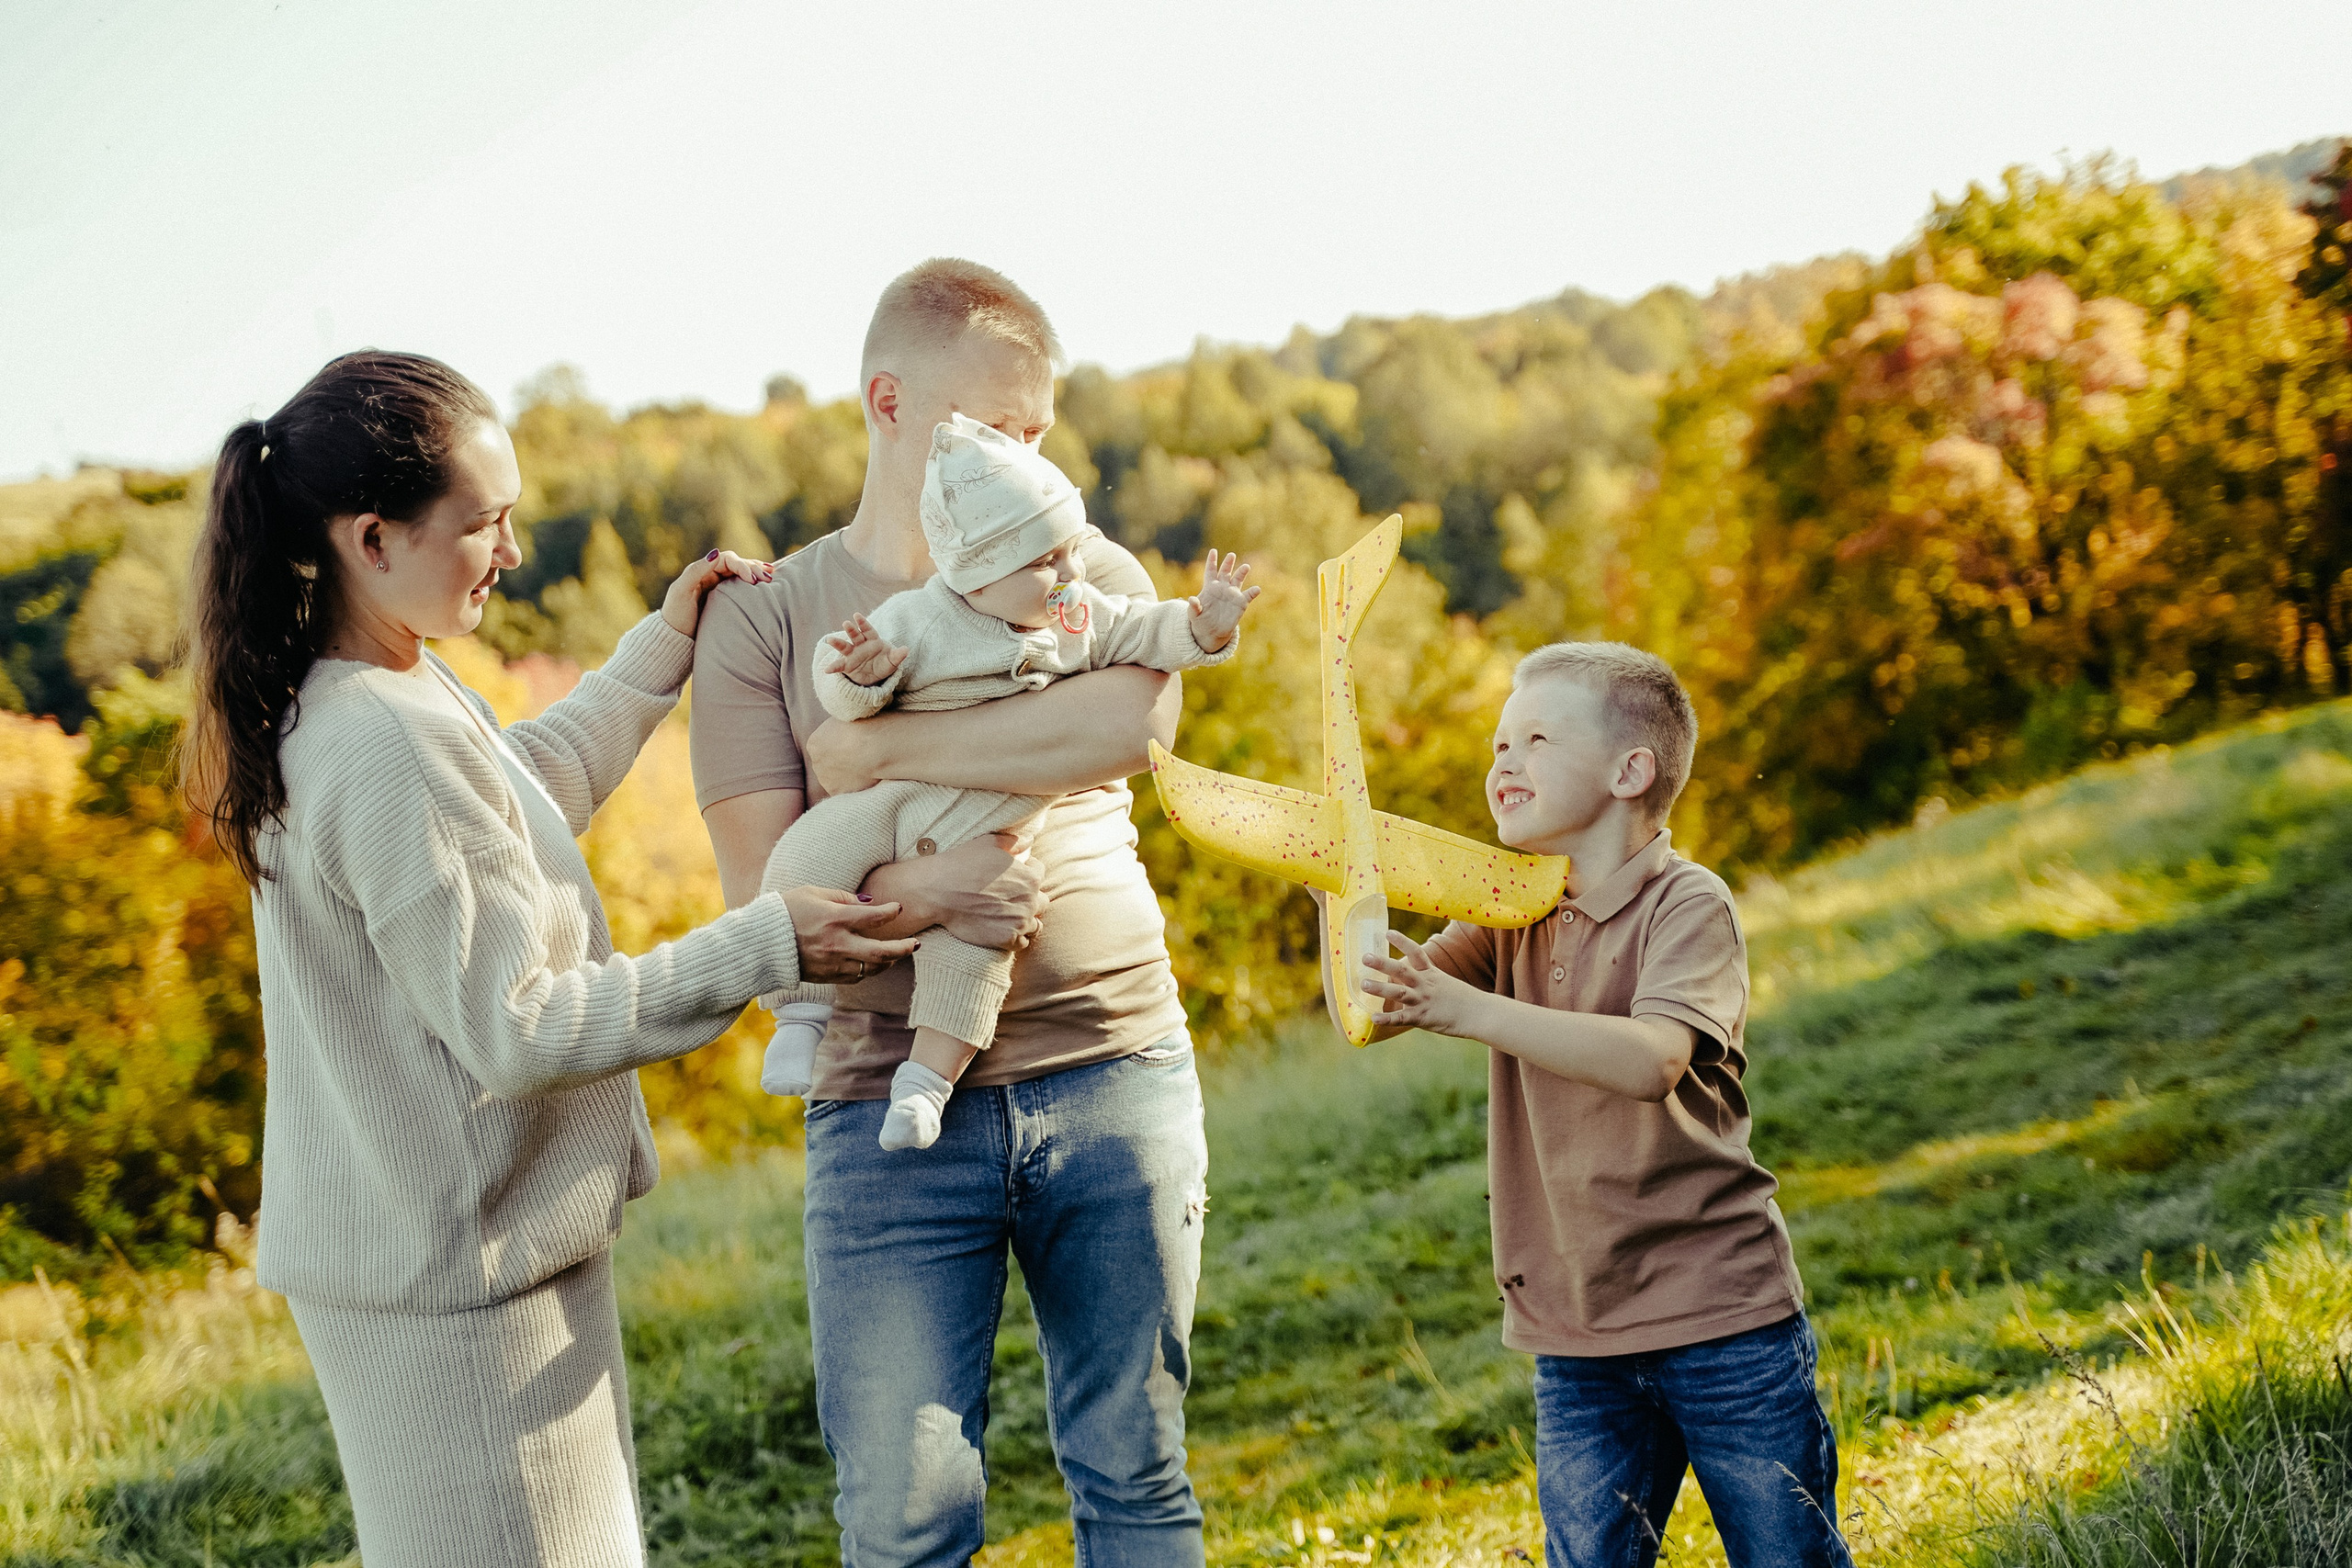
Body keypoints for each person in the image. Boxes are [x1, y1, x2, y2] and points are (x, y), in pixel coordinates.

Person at [181, 350, 920, 1568]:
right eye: (484, 523)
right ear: (372, 538)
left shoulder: (374, 693)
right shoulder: (383, 742)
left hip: (443, 1253)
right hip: (461, 1281)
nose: (512, 550)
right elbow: (520, 1026)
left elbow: (512, 809)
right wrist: (766, 942)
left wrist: (658, 651)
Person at [691, 260, 1210, 1568]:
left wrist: (877, 749)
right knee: (904, 1519)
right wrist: (929, 892)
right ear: (889, 402)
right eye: (993, 424)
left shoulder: (1078, 563)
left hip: (1114, 1066)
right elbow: (764, 902)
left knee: (1137, 1472)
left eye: (1037, 430)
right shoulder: (765, 619)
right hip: (881, 1111)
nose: (1021, 456)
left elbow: (1132, 724)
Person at [1317, 642, 1850, 1568]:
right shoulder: (1504, 908)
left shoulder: (1689, 904)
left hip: (1720, 1318)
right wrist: (1343, 885)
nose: (1503, 760)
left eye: (1535, 739)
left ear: (1628, 772)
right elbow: (1373, 1009)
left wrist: (1470, 1009)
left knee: (1785, 1554)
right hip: (1574, 1331)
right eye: (1498, 743)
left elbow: (1651, 1059)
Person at [755, 412, 1259, 1151]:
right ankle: (798, 1015)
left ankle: (926, 1086)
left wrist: (1205, 627)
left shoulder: (1077, 617)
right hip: (895, 805)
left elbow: (1144, 630)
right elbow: (843, 686)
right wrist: (862, 676)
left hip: (991, 836)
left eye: (1070, 550)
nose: (1073, 573)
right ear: (977, 570)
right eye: (1047, 560)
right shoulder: (918, 620)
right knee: (808, 854)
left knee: (978, 948)